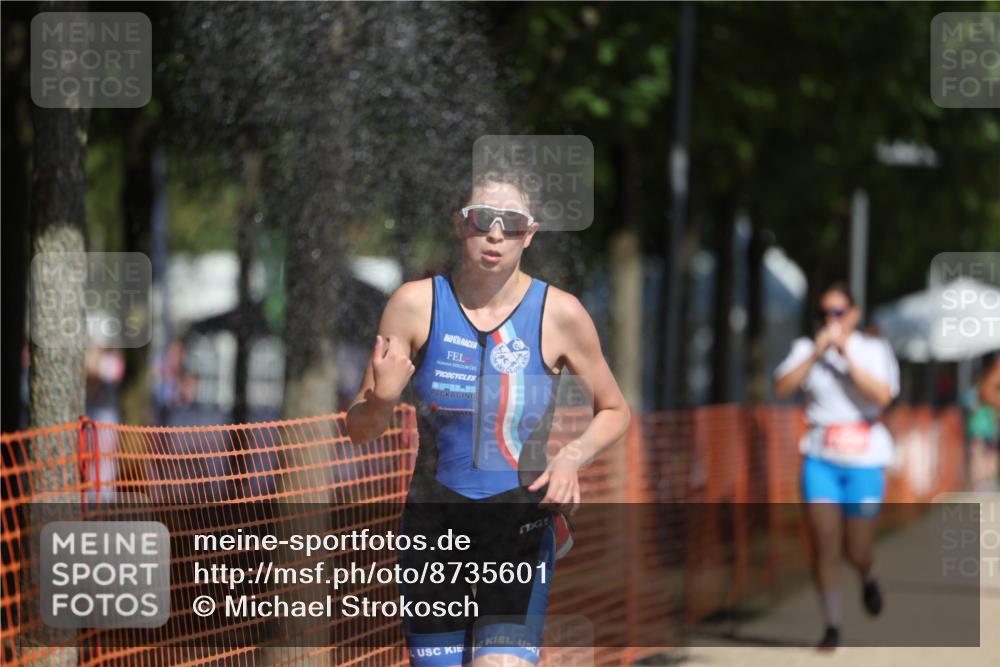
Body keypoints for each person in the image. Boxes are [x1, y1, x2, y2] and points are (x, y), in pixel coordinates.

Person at [346, 170, 630, 667]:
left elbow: (615, 409)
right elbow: (358, 430)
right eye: (483, 219)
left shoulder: (559, 314)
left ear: (530, 234)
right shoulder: (415, 304)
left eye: (512, 223)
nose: (496, 234)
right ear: (460, 224)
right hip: (434, 528)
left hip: (518, 526)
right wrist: (383, 401)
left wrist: (571, 457)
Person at [774, 282, 900, 650]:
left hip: (864, 460)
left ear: (854, 314)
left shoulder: (873, 349)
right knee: (825, 541)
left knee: (856, 548)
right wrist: (816, 354)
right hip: (820, 459)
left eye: (839, 312)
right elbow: (782, 387)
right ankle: (832, 626)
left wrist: (846, 356)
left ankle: (868, 574)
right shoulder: (805, 348)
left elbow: (883, 395)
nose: (831, 319)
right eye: (824, 313)